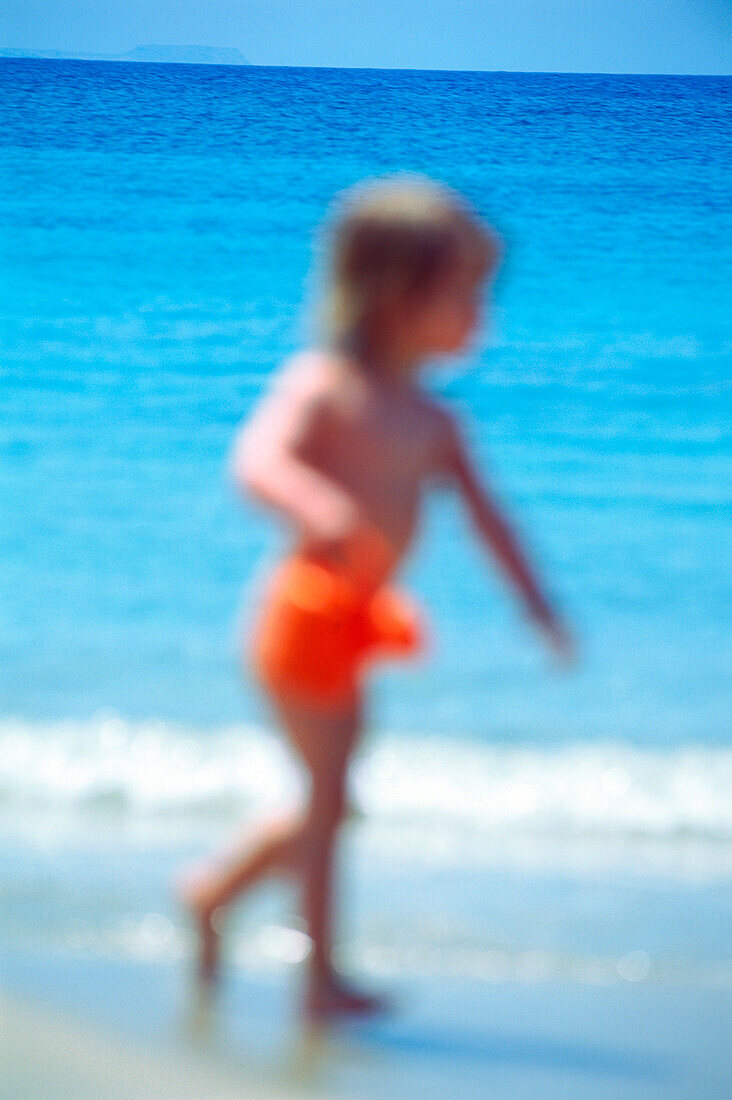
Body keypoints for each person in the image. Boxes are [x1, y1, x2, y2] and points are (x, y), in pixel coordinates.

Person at [177, 174, 574, 1021]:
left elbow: (488, 521)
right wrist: (314, 503)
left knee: (333, 802)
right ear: (398, 294)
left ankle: (214, 897)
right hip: (302, 618)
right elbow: (256, 461)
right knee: (328, 803)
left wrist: (537, 603)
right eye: (465, 293)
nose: (482, 316)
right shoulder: (324, 386)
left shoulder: (435, 422)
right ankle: (317, 981)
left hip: (357, 629)